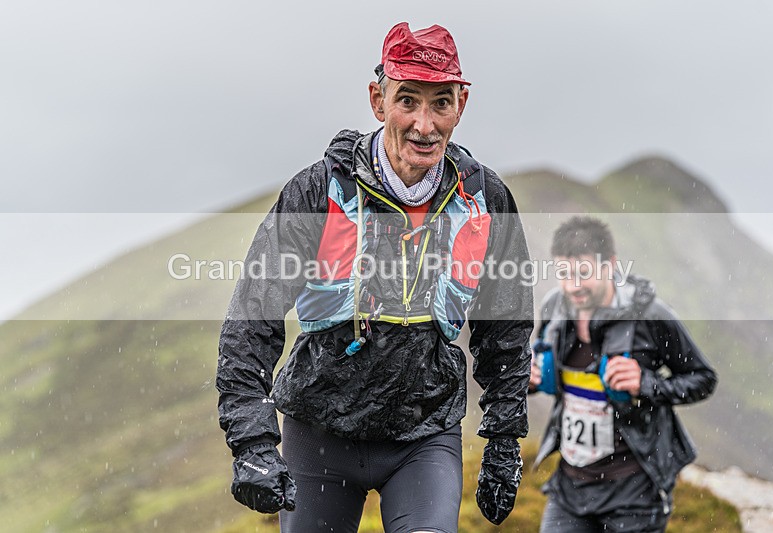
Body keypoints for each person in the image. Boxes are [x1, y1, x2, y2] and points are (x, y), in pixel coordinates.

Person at [216, 22, 534, 532]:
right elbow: (252, 318)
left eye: (441, 102)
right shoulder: (318, 192)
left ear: (462, 104)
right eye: (407, 100)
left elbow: (508, 328)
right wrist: (252, 441)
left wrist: (503, 439)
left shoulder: (485, 201)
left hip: (424, 435)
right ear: (377, 99)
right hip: (318, 432)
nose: (425, 125)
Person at [529, 216, 717, 533]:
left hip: (635, 495)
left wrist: (646, 383)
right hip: (570, 488)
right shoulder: (554, 308)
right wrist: (530, 380)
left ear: (610, 265)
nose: (572, 286)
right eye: (564, 273)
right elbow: (538, 369)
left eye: (583, 273)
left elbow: (702, 379)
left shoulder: (651, 316)